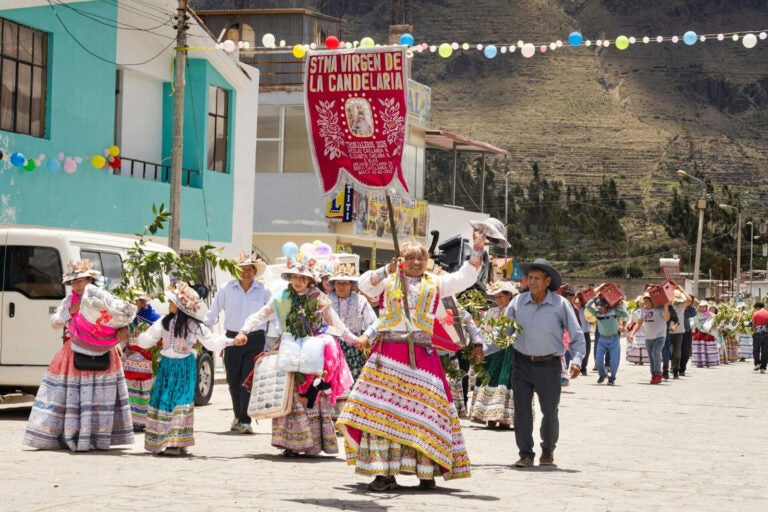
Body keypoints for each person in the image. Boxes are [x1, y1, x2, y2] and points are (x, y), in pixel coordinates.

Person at [337, 232, 488, 491]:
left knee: (426, 414)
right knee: (382, 416)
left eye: (421, 257)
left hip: (422, 357)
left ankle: (426, 472)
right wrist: (387, 269)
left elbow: (465, 277)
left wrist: (477, 249)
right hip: (388, 355)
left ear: (427, 261)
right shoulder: (389, 281)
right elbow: (364, 284)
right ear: (401, 260)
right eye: (410, 257)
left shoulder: (436, 284)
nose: (416, 262)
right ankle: (383, 473)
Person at [235, 257, 357, 457]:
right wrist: (244, 330)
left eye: (302, 277)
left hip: (312, 352)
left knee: (312, 394)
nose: (298, 281)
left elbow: (336, 323)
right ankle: (290, 444)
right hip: (288, 350)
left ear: (310, 280)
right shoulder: (281, 298)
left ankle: (312, 443)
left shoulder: (319, 299)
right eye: (294, 277)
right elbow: (259, 316)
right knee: (288, 394)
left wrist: (354, 339)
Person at [23, 260, 135, 451]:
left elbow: (119, 315)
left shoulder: (105, 298)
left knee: (100, 396)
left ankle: (97, 437)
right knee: (70, 396)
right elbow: (54, 323)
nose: (76, 284)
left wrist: (124, 327)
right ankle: (70, 435)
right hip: (74, 352)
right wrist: (69, 312)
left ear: (91, 279)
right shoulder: (68, 301)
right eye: (73, 282)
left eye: (80, 280)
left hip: (104, 352)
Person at [135, 282, 234, 455]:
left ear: (181, 306)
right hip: (166, 366)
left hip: (184, 368)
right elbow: (148, 338)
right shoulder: (164, 322)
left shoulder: (195, 326)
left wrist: (231, 341)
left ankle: (176, 442)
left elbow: (210, 342)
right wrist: (137, 336)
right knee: (164, 400)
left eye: (172, 302)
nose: (169, 304)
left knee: (181, 401)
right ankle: (166, 441)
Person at [505, 258, 585, 468]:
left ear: (547, 281)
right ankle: (525, 454)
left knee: (549, 410)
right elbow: (503, 332)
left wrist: (576, 360)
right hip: (521, 363)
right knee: (521, 410)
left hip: (549, 365)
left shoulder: (560, 305)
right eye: (529, 278)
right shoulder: (517, 303)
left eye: (537, 278)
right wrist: (480, 348)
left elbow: (576, 335)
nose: (532, 282)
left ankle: (548, 448)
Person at [204, 252, 272, 434]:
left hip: (255, 338)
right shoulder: (226, 288)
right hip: (232, 338)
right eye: (241, 269)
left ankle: (245, 419)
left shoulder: (264, 291)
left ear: (255, 271)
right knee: (233, 379)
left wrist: (275, 339)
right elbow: (213, 312)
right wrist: (200, 332)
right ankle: (237, 416)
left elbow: (273, 316)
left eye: (249, 269)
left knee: (247, 380)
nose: (245, 272)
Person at [470, 280, 518, 428]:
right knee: (489, 380)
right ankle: (489, 416)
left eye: (500, 297)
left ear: (509, 295)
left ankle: (504, 418)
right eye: (495, 298)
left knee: (505, 381)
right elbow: (483, 331)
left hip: (508, 352)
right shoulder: (491, 312)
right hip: (491, 351)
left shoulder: (515, 311)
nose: (497, 300)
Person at [327, 264, 377, 382]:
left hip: (355, 346)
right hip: (332, 347)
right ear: (334, 285)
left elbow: (374, 322)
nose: (341, 286)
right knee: (331, 382)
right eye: (338, 283)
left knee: (355, 381)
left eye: (345, 283)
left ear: (351, 284)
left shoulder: (361, 300)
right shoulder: (326, 299)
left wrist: (365, 337)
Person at [122, 292, 161, 430]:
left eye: (135, 302)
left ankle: (147, 421)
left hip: (148, 361)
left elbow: (159, 340)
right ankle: (133, 421)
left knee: (146, 391)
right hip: (130, 363)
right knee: (131, 390)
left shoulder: (154, 319)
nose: (131, 305)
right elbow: (123, 339)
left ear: (142, 303)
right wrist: (125, 349)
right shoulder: (127, 319)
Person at [628, 293, 671, 384]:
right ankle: (653, 374)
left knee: (655, 353)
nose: (645, 303)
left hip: (660, 336)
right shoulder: (643, 311)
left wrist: (666, 306)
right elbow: (638, 324)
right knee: (651, 357)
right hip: (648, 338)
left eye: (647, 301)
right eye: (645, 301)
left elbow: (666, 319)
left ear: (653, 301)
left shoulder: (660, 309)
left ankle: (658, 374)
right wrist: (632, 334)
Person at [585, 296, 629, 385]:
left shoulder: (613, 311)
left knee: (614, 361)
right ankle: (602, 374)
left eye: (601, 307)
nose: (599, 309)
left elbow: (625, 314)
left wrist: (620, 305)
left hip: (614, 339)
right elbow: (587, 306)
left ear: (606, 305)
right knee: (598, 359)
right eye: (598, 307)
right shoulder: (597, 313)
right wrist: (594, 299)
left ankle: (612, 378)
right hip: (602, 340)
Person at [691, 300, 719, 368]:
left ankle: (709, 361)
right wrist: (702, 328)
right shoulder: (696, 314)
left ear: (707, 307)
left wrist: (710, 328)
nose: (702, 308)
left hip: (709, 334)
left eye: (704, 307)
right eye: (701, 307)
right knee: (700, 347)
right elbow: (696, 323)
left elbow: (714, 322)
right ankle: (699, 362)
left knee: (708, 348)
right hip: (699, 334)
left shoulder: (710, 314)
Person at [751, 302, 768, 373]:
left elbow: (753, 325)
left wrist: (753, 329)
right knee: (765, 351)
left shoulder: (755, 313)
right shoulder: (767, 313)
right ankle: (763, 367)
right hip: (766, 333)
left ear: (757, 307)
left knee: (756, 350)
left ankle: (757, 363)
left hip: (758, 333)